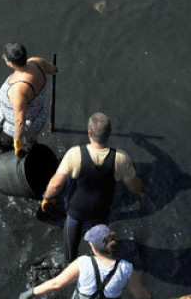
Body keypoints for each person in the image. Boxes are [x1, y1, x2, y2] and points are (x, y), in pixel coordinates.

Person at [39, 113, 145, 263]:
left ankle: (71, 262)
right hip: (101, 209)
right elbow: (133, 186)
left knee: (70, 248)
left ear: (89, 132)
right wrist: (140, 191)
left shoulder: (75, 154)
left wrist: (47, 198)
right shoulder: (120, 158)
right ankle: (102, 260)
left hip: (76, 209)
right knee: (102, 242)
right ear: (109, 133)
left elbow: (56, 185)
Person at [18, 224, 151, 299]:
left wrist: (31, 292)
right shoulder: (126, 268)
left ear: (93, 247)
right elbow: (141, 295)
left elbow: (56, 284)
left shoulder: (83, 263)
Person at [0, 42, 58, 156]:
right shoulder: (37, 62)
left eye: (4, 57)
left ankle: (21, 151)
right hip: (40, 115)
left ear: (10, 63)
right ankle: (31, 143)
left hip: (17, 128)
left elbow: (20, 122)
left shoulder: (18, 90)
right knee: (31, 139)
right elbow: (54, 69)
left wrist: (18, 144)